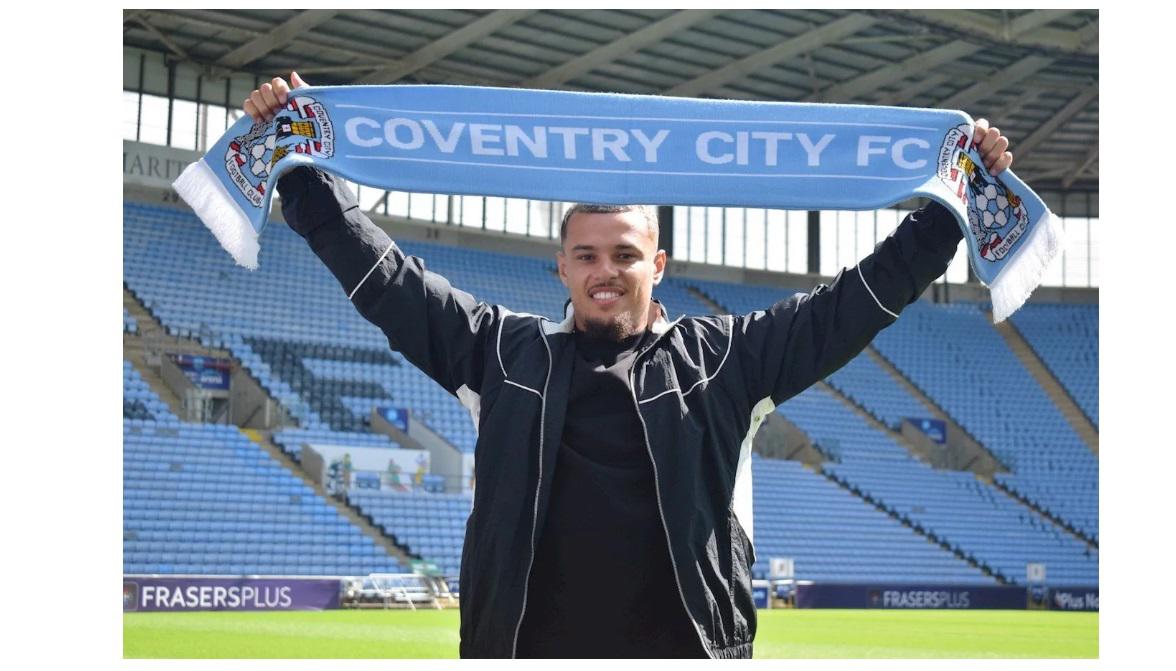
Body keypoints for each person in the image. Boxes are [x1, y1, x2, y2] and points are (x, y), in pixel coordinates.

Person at [245, 73, 1013, 659]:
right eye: (586, 255)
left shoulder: (725, 360)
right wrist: (301, 163)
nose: (604, 270)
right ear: (561, 267)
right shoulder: (500, 352)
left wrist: (950, 204)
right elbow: (382, 279)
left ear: (659, 264)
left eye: (624, 254)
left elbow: (853, 303)